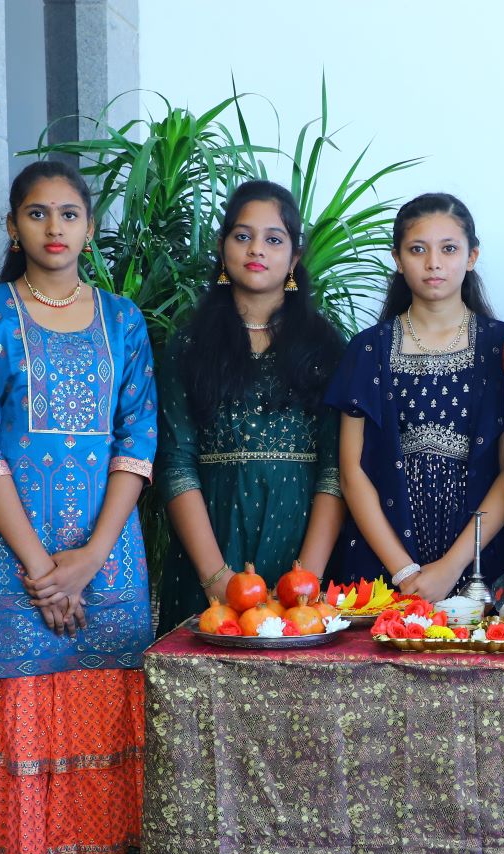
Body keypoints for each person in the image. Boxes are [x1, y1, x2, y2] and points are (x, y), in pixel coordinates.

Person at [0, 160, 157, 854]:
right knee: (27, 735)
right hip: (8, 564)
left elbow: (138, 437)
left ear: (90, 227)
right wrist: (42, 570)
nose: (55, 228)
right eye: (37, 214)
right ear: (14, 227)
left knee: (84, 734)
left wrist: (92, 557)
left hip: (107, 560)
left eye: (70, 214)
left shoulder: (123, 320)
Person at [157, 179, 346, 629]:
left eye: (273, 239)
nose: (256, 249)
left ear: (294, 258)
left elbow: (336, 469)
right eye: (242, 236)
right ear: (223, 249)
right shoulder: (189, 346)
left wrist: (305, 584)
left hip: (303, 550)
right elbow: (176, 463)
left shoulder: (327, 348)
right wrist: (217, 578)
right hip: (208, 551)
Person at [325, 193, 504, 599]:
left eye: (449, 249)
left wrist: (451, 567)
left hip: (478, 560)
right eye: (417, 250)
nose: (433, 263)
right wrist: (405, 571)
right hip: (383, 560)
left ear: (472, 256)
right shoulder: (368, 350)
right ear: (397, 259)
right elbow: (351, 472)